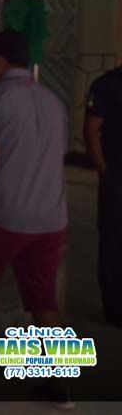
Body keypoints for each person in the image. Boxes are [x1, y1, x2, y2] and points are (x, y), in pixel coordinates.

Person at [0, 29, 68, 335]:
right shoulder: (54, 101)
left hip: (6, 216)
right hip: (52, 218)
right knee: (43, 300)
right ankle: (59, 366)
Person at [84, 65, 122, 328]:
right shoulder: (108, 84)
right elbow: (91, 130)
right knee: (113, 242)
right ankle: (115, 308)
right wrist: (104, 169)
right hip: (116, 180)